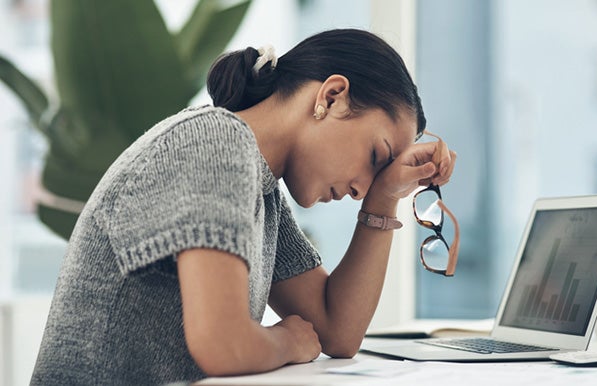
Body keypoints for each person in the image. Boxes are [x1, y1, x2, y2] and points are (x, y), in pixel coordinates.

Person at [30, 28, 456, 385]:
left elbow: (336, 331)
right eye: (375, 158)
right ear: (332, 96)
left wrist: (386, 197)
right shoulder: (216, 142)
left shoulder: (263, 190)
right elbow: (223, 345)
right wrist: (288, 340)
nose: (363, 188)